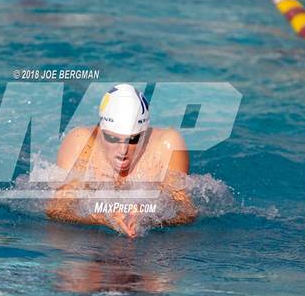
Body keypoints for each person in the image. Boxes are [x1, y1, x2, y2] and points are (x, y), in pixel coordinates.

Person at [46, 83, 196, 237]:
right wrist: (103, 218)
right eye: (112, 138)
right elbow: (57, 209)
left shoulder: (167, 145)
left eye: (133, 140)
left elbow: (185, 211)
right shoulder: (81, 143)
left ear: (144, 134)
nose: (122, 151)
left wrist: (147, 218)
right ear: (100, 130)